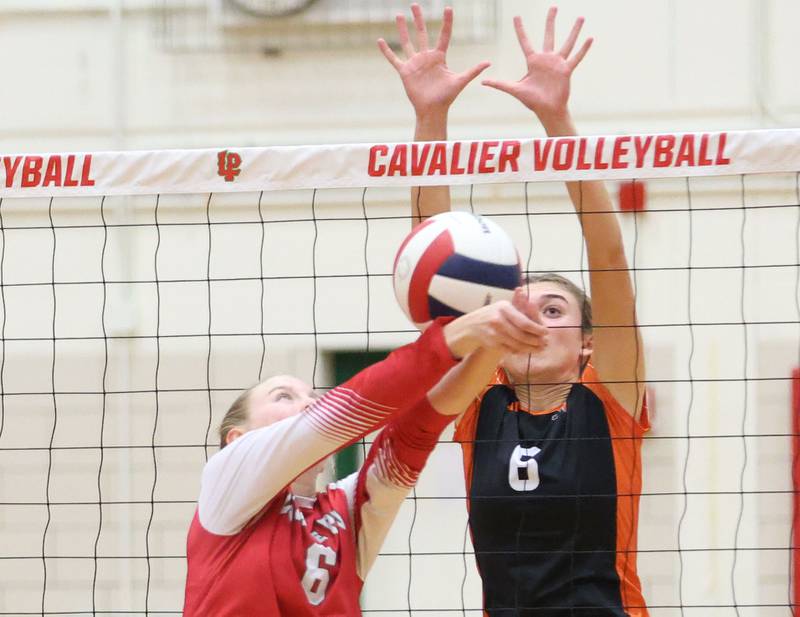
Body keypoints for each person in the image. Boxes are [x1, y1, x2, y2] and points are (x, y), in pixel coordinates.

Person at [379, 5, 649, 616]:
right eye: (521, 308)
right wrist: (430, 115)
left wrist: (557, 120)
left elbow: (607, 255)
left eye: (553, 311)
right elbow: (435, 251)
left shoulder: (608, 399)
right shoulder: (481, 402)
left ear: (587, 343)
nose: (531, 319)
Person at [183, 291, 548, 616]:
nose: (310, 404)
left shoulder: (346, 508)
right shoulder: (226, 480)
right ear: (237, 438)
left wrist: (496, 343)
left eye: (313, 396)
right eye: (284, 396)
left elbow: (414, 431)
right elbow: (349, 409)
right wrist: (457, 335)